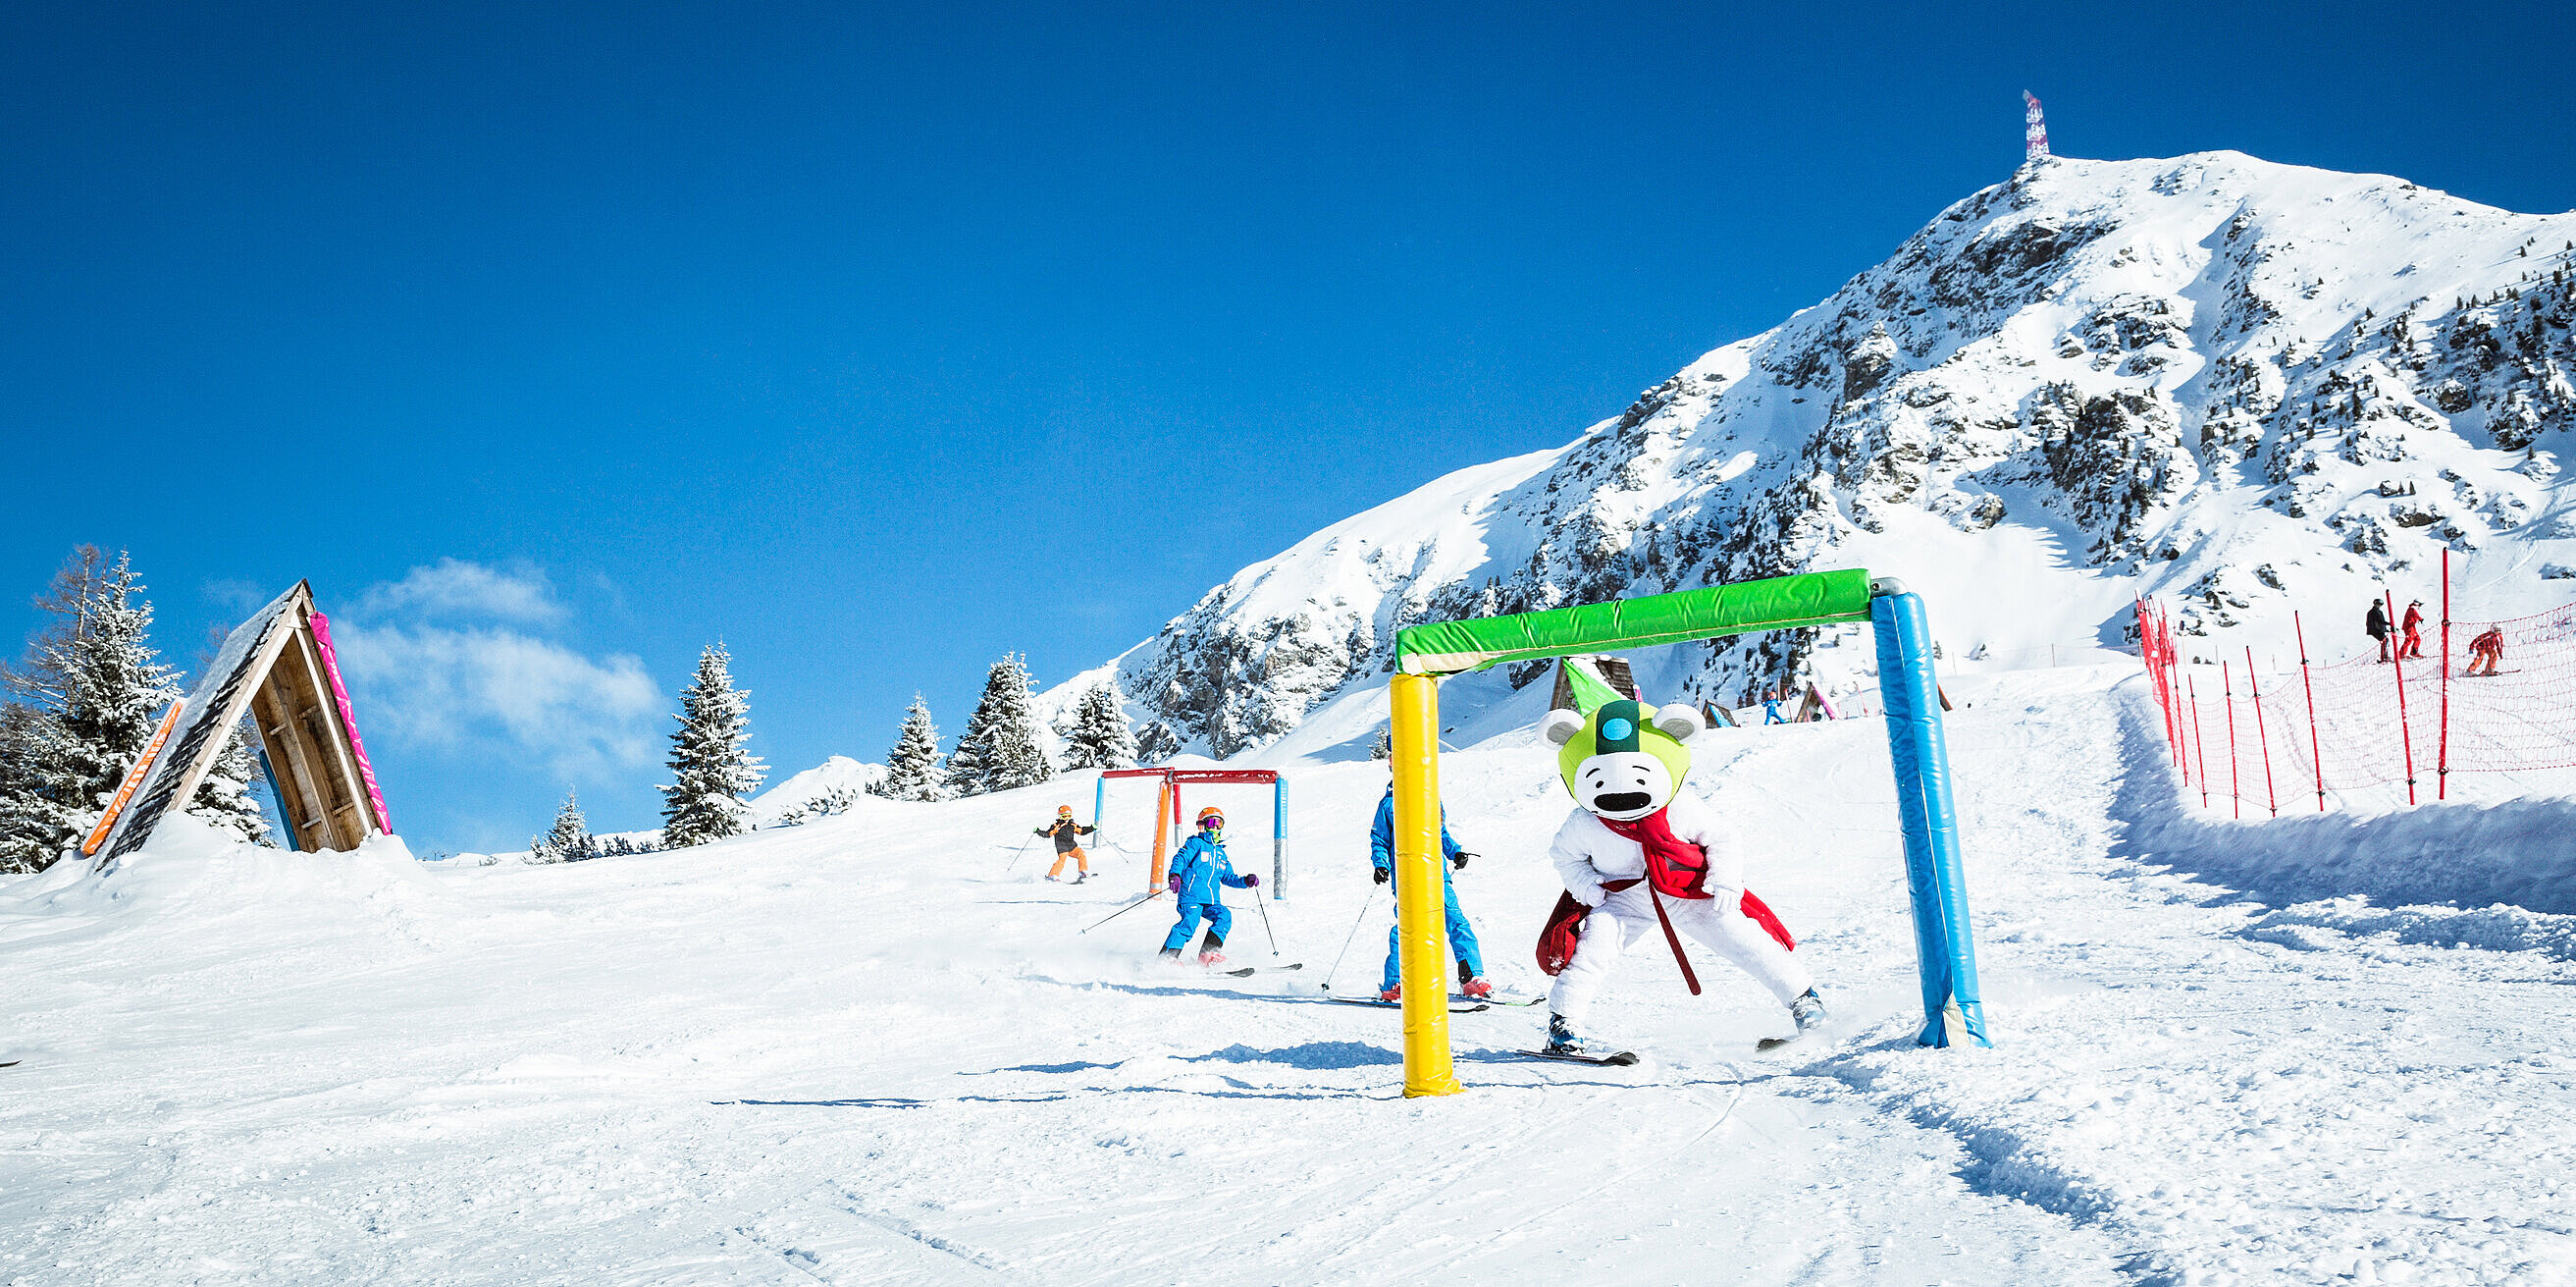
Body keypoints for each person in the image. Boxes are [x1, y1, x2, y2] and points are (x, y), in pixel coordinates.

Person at [1535, 698, 1821, 1056]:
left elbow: (1721, 838)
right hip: (1623, 900)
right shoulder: (1586, 822)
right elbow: (1564, 855)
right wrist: (1585, 885)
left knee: (1742, 939)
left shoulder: (1681, 808)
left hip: (1685, 891)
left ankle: (1803, 999)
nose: (1621, 794)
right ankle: (1564, 1025)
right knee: (1591, 954)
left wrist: (1726, 878)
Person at [1369, 782, 1494, 1001]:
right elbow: (1379, 839)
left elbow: (1440, 833)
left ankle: (1472, 978)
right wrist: (1381, 865)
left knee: (1456, 921)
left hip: (1437, 875)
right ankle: (1395, 982)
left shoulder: (1431, 797)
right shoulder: (1389, 804)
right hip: (1407, 876)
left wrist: (1455, 852)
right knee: (1409, 927)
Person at [1158, 806, 1257, 965]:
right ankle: (1167, 958)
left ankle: (1208, 955)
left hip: (1211, 901)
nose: (1216, 827)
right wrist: (1175, 874)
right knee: (1190, 922)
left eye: (1219, 823)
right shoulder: (1195, 843)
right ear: (1203, 825)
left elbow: (1228, 877)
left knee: (1224, 916)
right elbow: (1180, 858)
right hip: (1191, 896)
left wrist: (1245, 881)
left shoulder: (1220, 853)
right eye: (1212, 822)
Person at [1034, 805, 1095, 883]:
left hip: (1072, 846)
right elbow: (1048, 834)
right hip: (1062, 847)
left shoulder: (1073, 825)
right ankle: (1052, 876)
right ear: (1060, 816)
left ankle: (1083, 873)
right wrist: (1038, 831)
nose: (1066, 818)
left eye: (1068, 816)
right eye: (1064, 816)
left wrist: (1091, 828)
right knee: (1062, 860)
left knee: (1081, 854)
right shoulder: (1056, 826)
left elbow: (1081, 831)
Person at [2366, 599, 2392, 663]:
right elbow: (2380, 621)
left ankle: (2384, 657)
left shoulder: (2377, 611)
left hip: (2378, 630)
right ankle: (2384, 657)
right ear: (2374, 604)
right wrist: (2389, 624)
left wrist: (2386, 629)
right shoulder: (2374, 612)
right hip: (2376, 630)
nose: (2379, 606)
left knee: (2385, 640)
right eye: (2377, 604)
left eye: (2380, 604)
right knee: (2385, 641)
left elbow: (2380, 622)